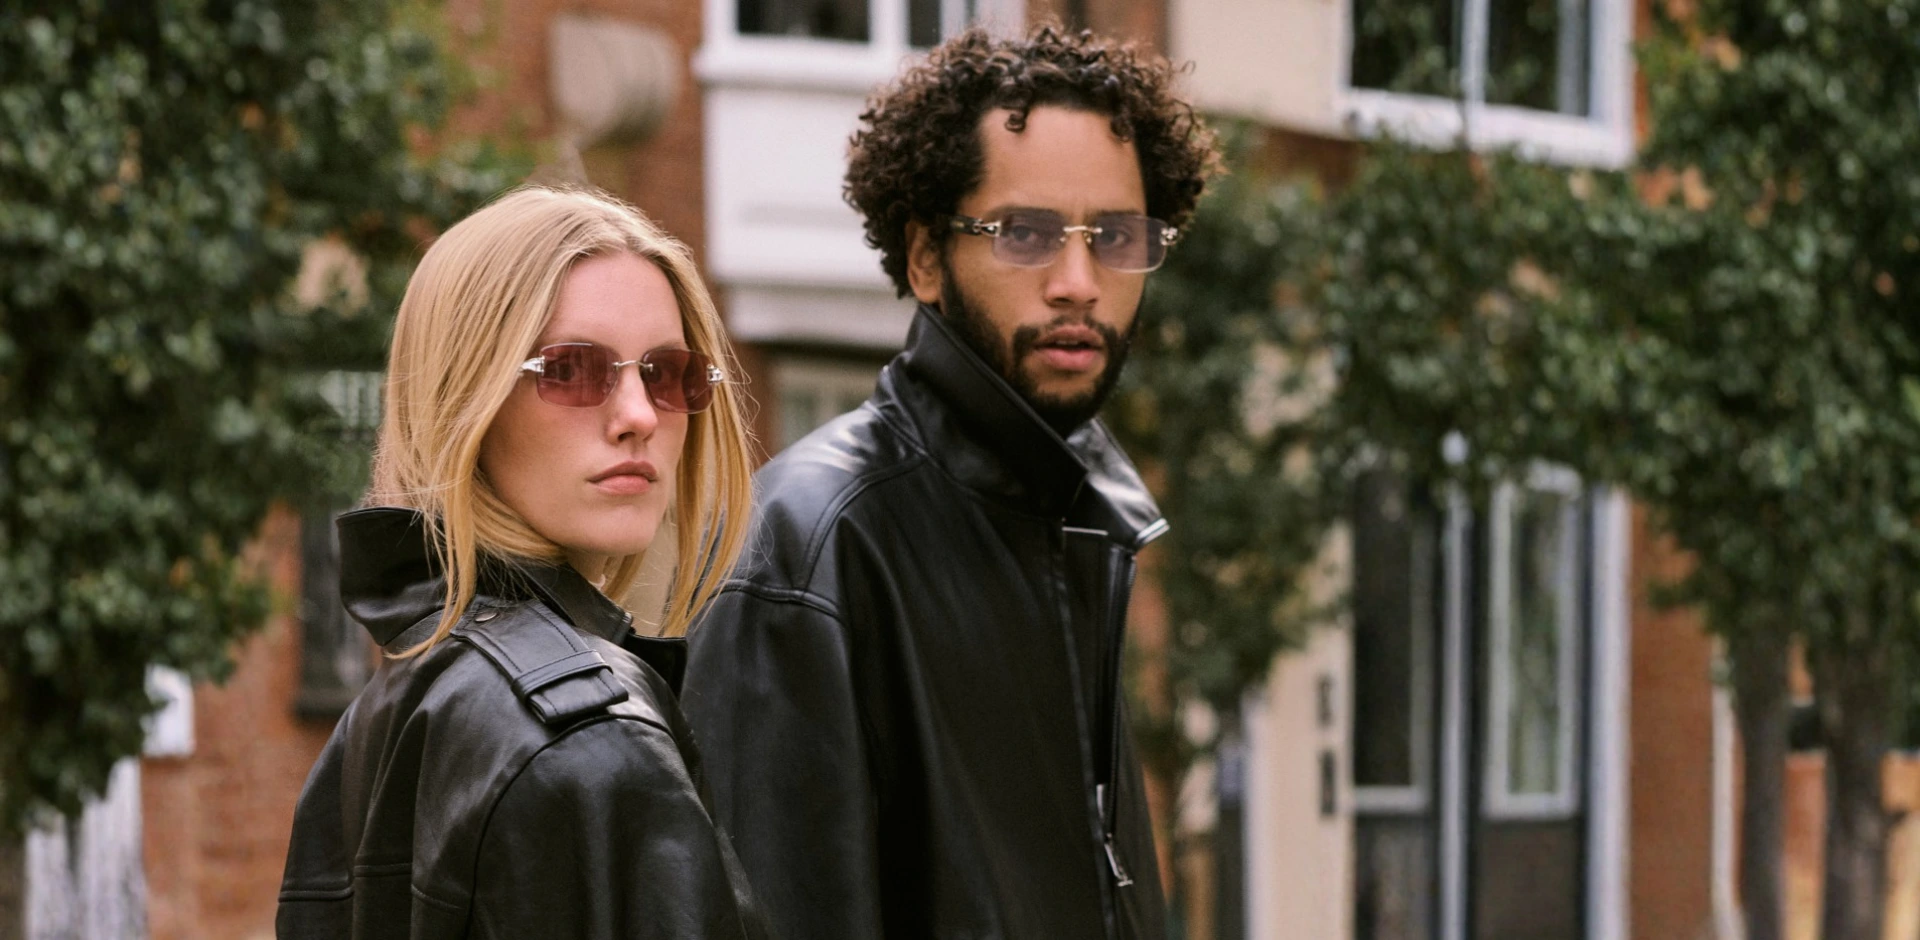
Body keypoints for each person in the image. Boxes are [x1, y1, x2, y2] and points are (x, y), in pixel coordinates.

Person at [681, 23, 1220, 940]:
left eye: (1116, 236)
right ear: (927, 258)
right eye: (1026, 234)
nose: (1079, 282)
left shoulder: (1075, 519)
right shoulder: (807, 549)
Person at [276, 186, 766, 940]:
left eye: (667, 373)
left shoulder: (407, 694)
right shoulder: (591, 740)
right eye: (571, 370)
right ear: (464, 396)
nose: (639, 416)